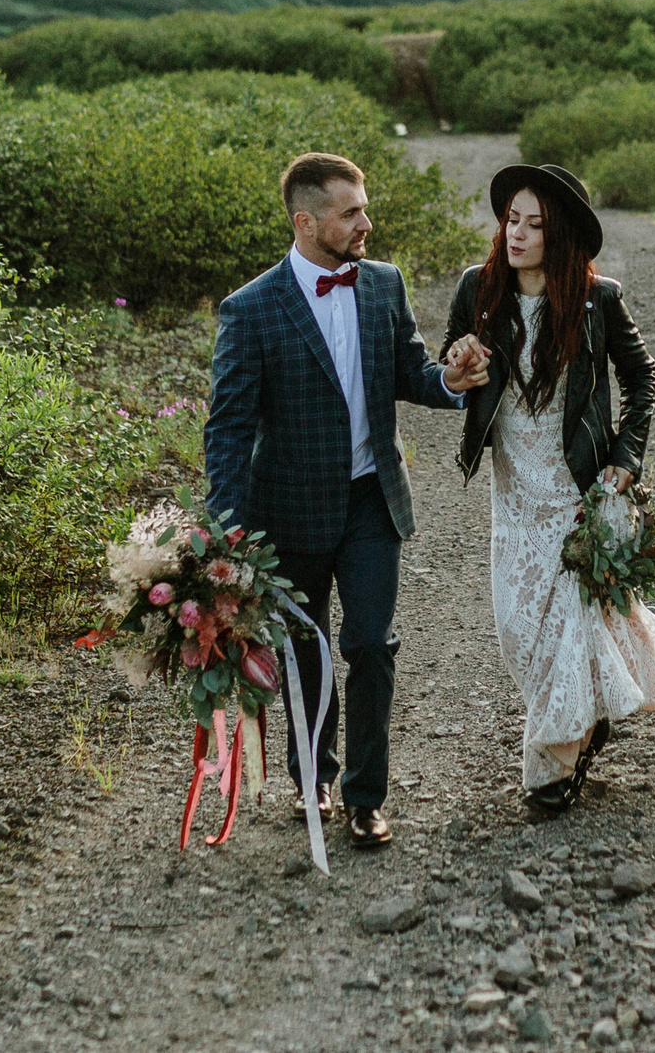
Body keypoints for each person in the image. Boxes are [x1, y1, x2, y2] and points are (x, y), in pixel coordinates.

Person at [204, 152, 489, 849]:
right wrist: (226, 529)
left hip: (371, 501)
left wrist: (449, 378)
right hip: (289, 509)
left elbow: (411, 374)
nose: (367, 222)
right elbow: (229, 425)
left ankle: (367, 797)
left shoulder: (384, 285)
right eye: (351, 211)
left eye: (365, 206)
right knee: (306, 652)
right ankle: (313, 779)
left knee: (370, 644)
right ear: (307, 221)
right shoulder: (250, 308)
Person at [440, 163, 655, 814]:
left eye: (535, 224)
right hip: (514, 488)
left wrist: (626, 458)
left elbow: (642, 378)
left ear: (563, 235)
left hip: (576, 484)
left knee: (569, 625)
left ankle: (549, 768)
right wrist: (459, 362)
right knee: (520, 628)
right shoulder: (478, 287)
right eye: (511, 219)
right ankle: (584, 720)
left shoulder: (597, 298)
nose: (517, 234)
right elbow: (452, 358)